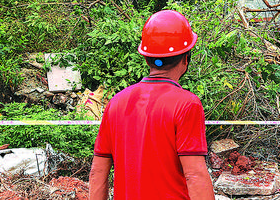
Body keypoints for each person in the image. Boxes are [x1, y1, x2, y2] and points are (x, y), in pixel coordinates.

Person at [89, 10, 214, 200]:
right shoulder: (187, 104)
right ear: (186, 59)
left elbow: (97, 172)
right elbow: (195, 175)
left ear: (147, 59)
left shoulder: (116, 103)